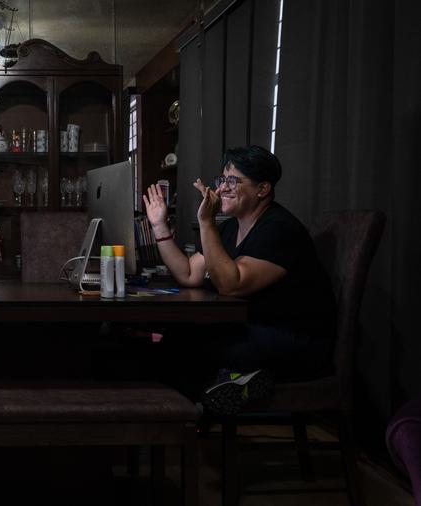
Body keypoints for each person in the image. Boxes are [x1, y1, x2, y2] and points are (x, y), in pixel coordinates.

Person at [142, 145, 335, 414]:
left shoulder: (279, 228)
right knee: (177, 339)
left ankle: (214, 401)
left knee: (191, 347)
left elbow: (230, 285)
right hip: (255, 329)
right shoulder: (231, 227)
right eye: (222, 180)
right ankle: (225, 388)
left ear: (262, 189)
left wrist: (207, 222)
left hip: (295, 339)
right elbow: (188, 273)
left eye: (233, 181)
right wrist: (160, 226)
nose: (222, 188)